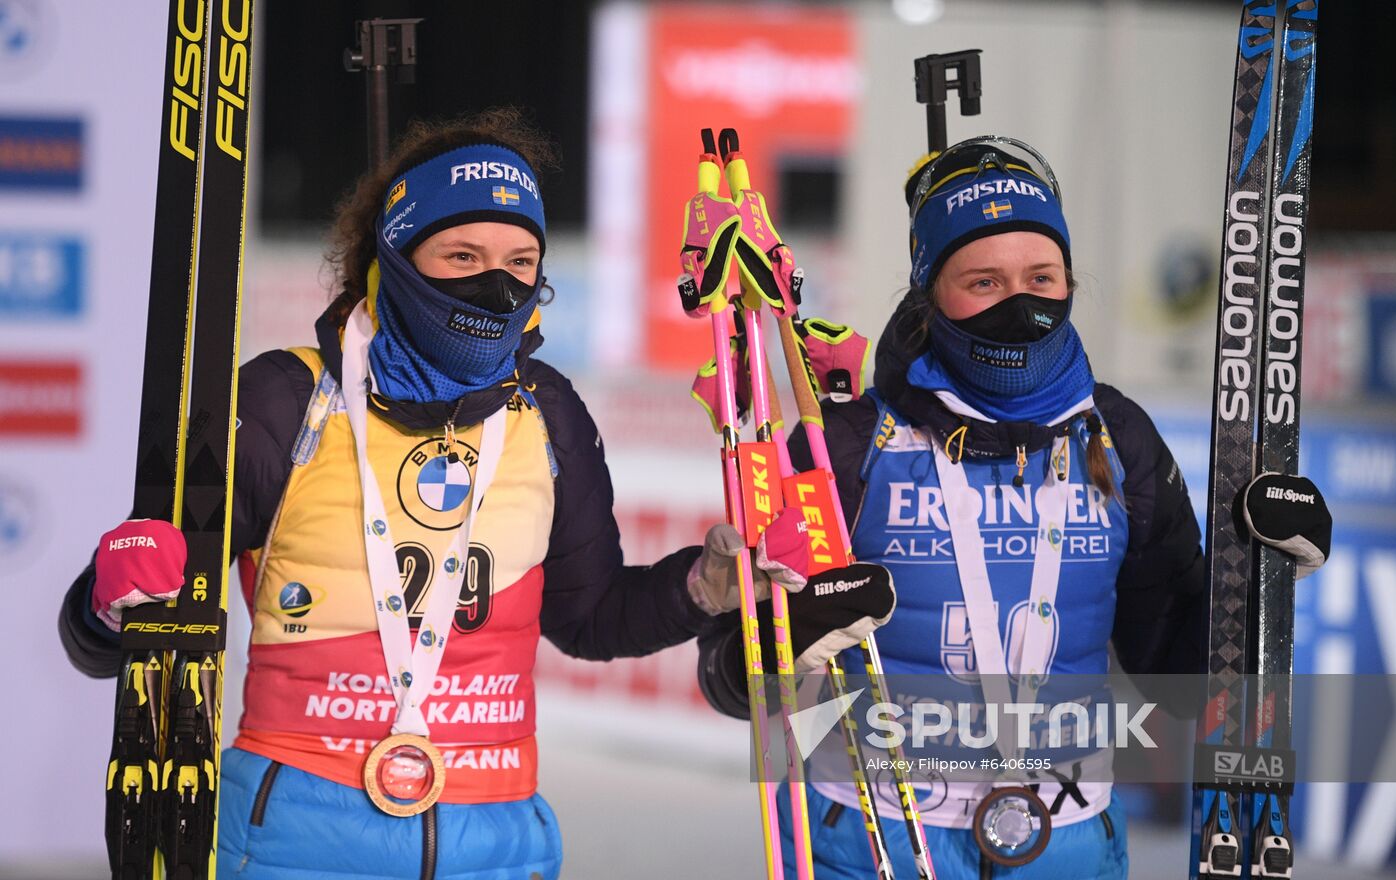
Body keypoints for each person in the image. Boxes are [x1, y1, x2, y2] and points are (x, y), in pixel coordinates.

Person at [58, 108, 811, 880]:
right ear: (397, 257)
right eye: (462, 254)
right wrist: (109, 600)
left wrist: (706, 586)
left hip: (497, 844)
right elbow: (118, 638)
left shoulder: (547, 413)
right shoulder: (284, 400)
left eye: (521, 261)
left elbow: (591, 618)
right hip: (293, 840)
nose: (497, 283)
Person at [697, 137, 1332, 879]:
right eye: (983, 282)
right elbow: (727, 682)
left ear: (1069, 281)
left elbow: (1177, 677)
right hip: (875, 842)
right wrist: (780, 649)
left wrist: (1259, 587)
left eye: (1041, 276)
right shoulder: (845, 442)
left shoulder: (1119, 436)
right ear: (930, 293)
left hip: (1063, 845)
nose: (1020, 301)